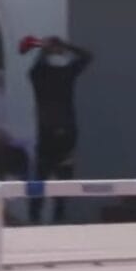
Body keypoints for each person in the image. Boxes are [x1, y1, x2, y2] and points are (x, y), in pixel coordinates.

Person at [25, 36, 93, 223]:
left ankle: (38, 217)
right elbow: (87, 56)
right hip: (63, 131)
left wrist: (46, 49)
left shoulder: (42, 75)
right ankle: (52, 217)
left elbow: (35, 67)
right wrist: (66, 46)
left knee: (44, 176)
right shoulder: (65, 74)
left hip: (52, 132)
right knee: (55, 176)